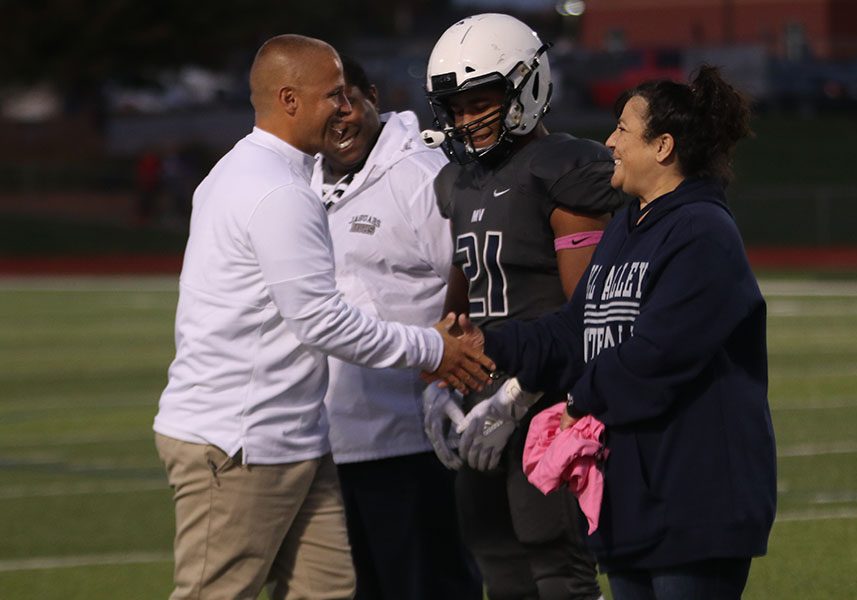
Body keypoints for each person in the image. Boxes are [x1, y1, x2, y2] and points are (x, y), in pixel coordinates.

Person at [153, 35, 492, 600]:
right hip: (243, 439)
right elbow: (321, 321)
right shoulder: (278, 188)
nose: (344, 106)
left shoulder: (237, 171)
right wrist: (436, 349)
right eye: (332, 94)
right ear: (289, 99)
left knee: (330, 591)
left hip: (293, 437)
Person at [471, 66, 777, 600]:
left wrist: (577, 401)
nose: (608, 141)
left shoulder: (702, 231)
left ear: (662, 146)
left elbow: (658, 354)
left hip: (694, 501)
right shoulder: (627, 227)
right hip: (633, 497)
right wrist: (486, 345)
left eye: (622, 130)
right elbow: (574, 332)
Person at [421, 13, 626, 600]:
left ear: (527, 83)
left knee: (557, 566)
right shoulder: (458, 182)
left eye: (480, 99)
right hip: (481, 397)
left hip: (546, 398)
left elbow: (586, 314)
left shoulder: (561, 168)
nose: (467, 118)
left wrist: (523, 398)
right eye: (455, 106)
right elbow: (462, 294)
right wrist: (441, 378)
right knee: (494, 559)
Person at [309, 55, 481, 600]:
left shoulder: (421, 175)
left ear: (372, 97)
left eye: (348, 100)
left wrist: (446, 382)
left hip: (409, 445)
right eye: (325, 105)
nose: (340, 117)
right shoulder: (299, 181)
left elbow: (471, 281)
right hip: (324, 445)